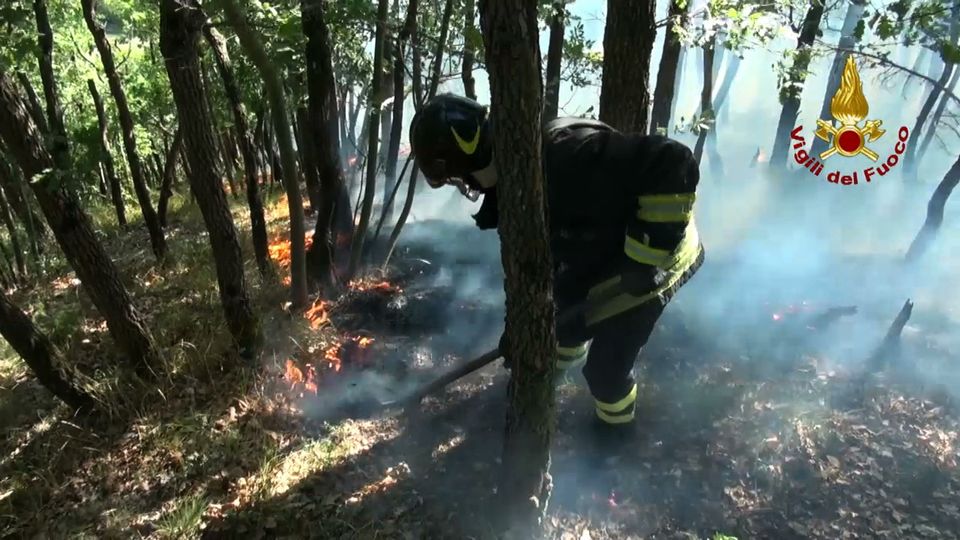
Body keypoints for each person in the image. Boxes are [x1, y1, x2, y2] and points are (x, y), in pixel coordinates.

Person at [409, 93, 704, 432]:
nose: (465, 186)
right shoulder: (516, 182)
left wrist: (644, 260)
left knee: (605, 373)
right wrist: (519, 332)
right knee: (564, 330)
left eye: (459, 177)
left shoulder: (565, 155)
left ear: (468, 157)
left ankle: (613, 439)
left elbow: (674, 161)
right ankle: (549, 385)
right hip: (606, 255)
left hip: (656, 262)